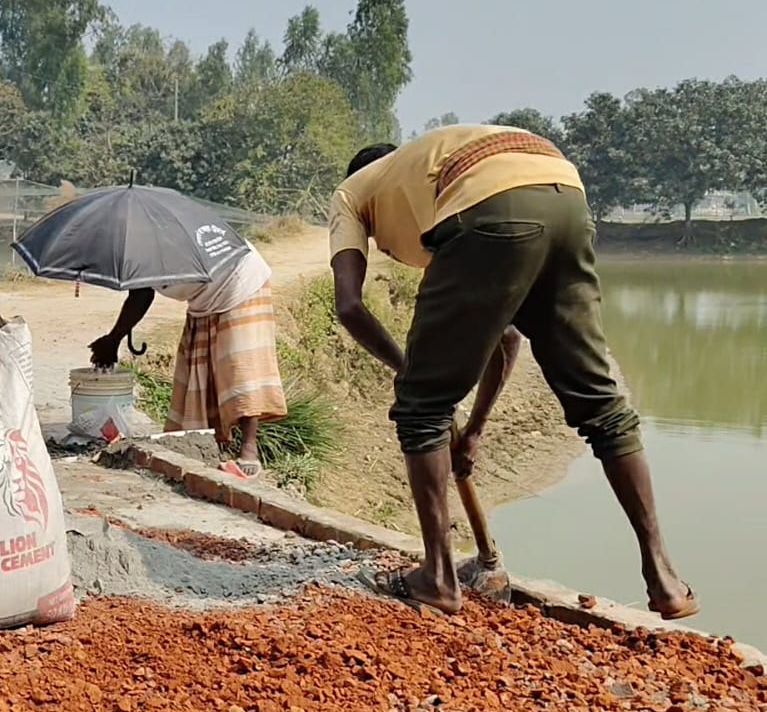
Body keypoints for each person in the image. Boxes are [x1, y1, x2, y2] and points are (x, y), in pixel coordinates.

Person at [328, 124, 697, 619]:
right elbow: (505, 334)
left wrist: (410, 374)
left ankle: (436, 578)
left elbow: (349, 306)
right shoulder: (422, 174)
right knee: (601, 406)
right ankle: (665, 577)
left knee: (420, 410)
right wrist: (474, 429)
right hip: (565, 192)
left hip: (490, 199)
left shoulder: (352, 193)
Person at [88, 238, 287, 478]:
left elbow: (141, 297)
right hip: (204, 295)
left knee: (240, 363)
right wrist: (114, 339)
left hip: (240, 277)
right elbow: (139, 291)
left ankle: (249, 449)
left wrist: (113, 339)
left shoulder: (153, 240)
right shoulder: (135, 248)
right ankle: (209, 443)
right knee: (201, 367)